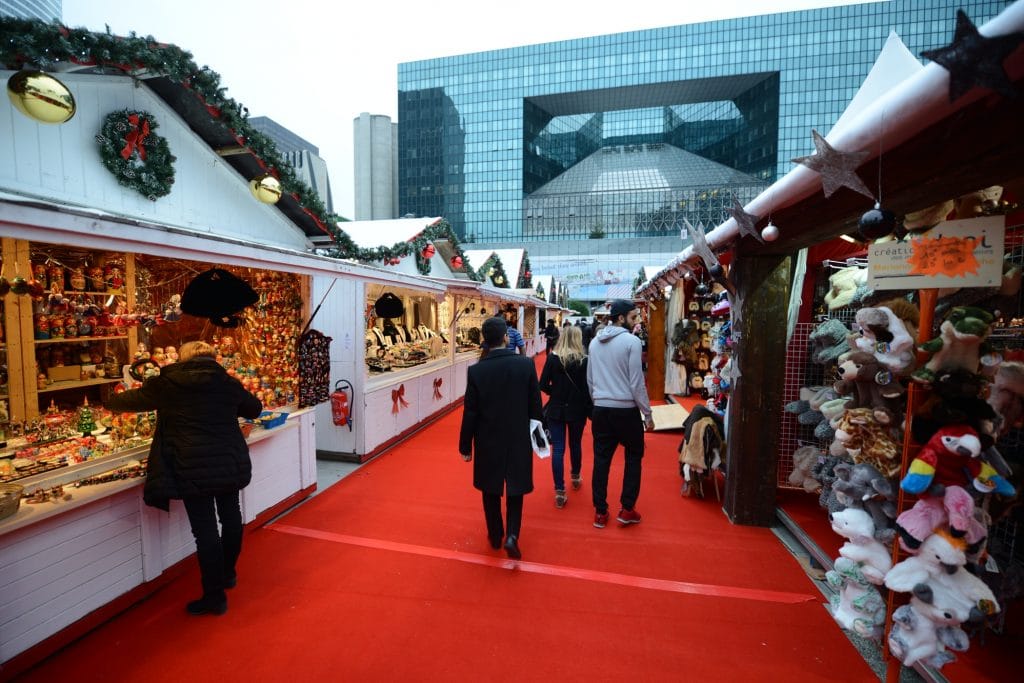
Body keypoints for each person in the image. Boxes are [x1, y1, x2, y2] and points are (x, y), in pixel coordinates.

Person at [106, 340, 263, 615]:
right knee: (231, 518)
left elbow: (127, 401)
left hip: (190, 464)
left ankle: (215, 596)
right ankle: (227, 574)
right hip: (228, 461)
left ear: (182, 358)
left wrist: (107, 396)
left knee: (205, 532)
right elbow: (255, 409)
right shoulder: (227, 383)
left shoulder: (168, 384)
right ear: (213, 358)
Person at [459, 317, 543, 559]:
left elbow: (471, 411)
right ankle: (512, 534)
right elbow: (535, 405)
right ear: (506, 337)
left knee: (490, 487)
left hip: (488, 436)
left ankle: (495, 534)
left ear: (485, 339)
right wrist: (539, 436)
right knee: (516, 487)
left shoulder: (477, 370)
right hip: (518, 434)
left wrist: (465, 445)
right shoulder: (525, 365)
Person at [586, 299, 654, 528]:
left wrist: (598, 401)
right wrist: (647, 413)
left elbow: (590, 379)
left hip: (601, 408)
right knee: (633, 457)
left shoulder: (594, 343)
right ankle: (627, 508)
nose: (637, 321)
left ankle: (600, 511)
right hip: (626, 409)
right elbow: (637, 382)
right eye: (634, 317)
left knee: (601, 459)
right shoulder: (631, 342)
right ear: (621, 317)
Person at [539, 325, 591, 508]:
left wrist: (555, 392)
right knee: (575, 444)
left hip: (556, 408)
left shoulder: (553, 358)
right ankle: (575, 476)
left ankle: (559, 490)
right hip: (577, 409)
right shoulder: (584, 360)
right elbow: (588, 388)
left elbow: (542, 384)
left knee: (558, 449)